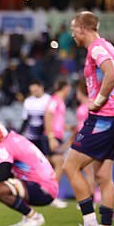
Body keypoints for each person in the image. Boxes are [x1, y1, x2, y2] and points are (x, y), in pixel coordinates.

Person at [63, 11, 114, 226]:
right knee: (103, 177)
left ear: (82, 28)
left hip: (102, 118)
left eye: (73, 29)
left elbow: (113, 73)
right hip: (113, 119)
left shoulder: (96, 49)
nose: (72, 34)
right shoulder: (107, 45)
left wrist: (98, 100)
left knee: (70, 165)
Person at [0, 121, 58, 226]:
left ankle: (34, 217)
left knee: (0, 190)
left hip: (42, 189)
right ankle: (28, 218)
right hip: (47, 186)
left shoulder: (4, 146)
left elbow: (4, 173)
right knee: (4, 182)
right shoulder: (15, 138)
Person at [43, 79, 71, 208]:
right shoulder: (55, 100)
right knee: (60, 163)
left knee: (51, 166)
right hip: (52, 136)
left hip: (56, 135)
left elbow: (57, 121)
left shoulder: (58, 101)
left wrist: (69, 128)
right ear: (65, 88)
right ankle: (52, 196)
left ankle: (46, 194)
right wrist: (51, 137)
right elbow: (48, 116)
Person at [20, 80, 51, 155]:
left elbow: (51, 120)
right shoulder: (28, 101)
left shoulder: (49, 99)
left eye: (36, 91)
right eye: (32, 91)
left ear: (41, 88)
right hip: (31, 137)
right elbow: (25, 120)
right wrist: (20, 133)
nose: (34, 93)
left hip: (44, 136)